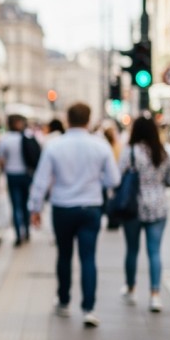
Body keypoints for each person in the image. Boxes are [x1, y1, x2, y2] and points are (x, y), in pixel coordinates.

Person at [27, 102, 120, 328]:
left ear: (68, 119)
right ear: (88, 120)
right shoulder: (100, 146)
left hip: (63, 207)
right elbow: (113, 180)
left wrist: (35, 208)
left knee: (64, 255)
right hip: (91, 208)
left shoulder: (55, 146)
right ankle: (89, 308)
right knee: (88, 257)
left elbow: (41, 180)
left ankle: (64, 302)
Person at [118, 116, 170, 313]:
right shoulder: (163, 151)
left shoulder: (130, 151)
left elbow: (118, 176)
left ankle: (131, 288)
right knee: (154, 252)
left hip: (133, 207)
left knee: (132, 250)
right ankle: (155, 295)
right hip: (158, 207)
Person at [0, 114, 32, 246]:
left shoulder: (5, 139)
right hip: (25, 175)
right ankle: (27, 231)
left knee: (16, 205)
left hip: (12, 175)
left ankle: (18, 235)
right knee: (24, 204)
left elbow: (1, 160)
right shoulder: (27, 137)